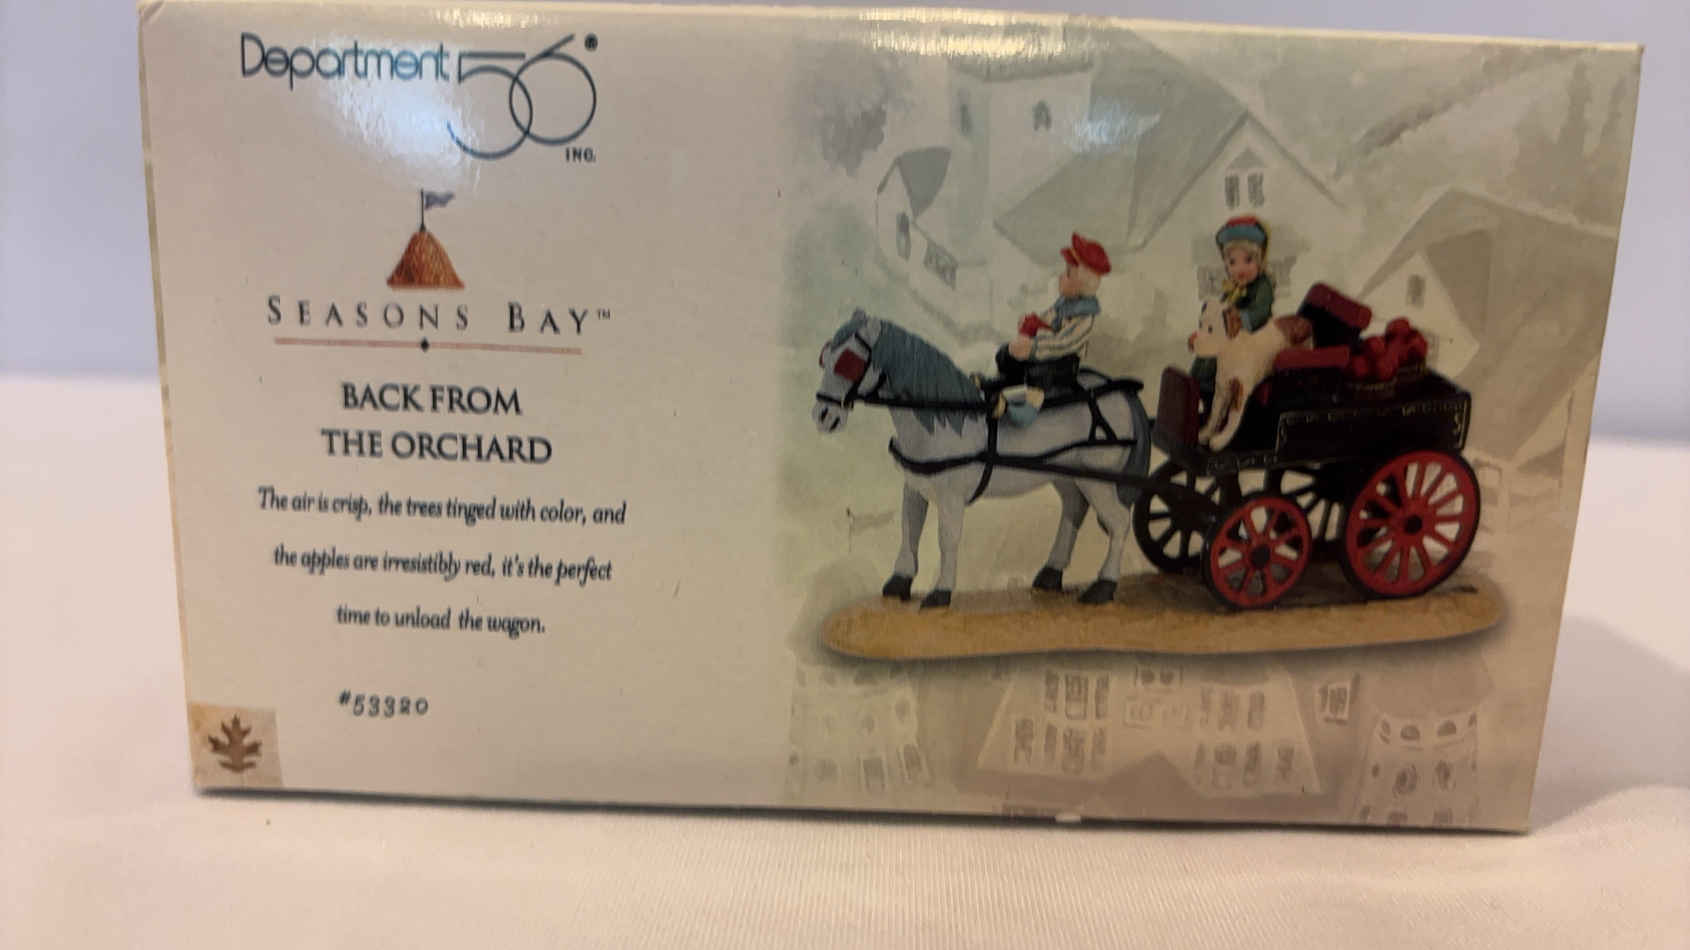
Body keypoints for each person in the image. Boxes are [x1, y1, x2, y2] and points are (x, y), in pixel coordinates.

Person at [987, 233, 1111, 422]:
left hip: (1064, 360)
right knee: (1005, 354)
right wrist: (1031, 322)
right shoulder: (1064, 303)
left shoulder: (1084, 315)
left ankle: (1030, 405)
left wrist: (1034, 347)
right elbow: (1047, 318)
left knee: (1038, 373)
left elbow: (1064, 343)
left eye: (1068, 274)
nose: (1061, 277)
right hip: (1045, 350)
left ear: (1082, 284)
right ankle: (1002, 384)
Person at [1192, 215, 1275, 400]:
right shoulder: (1233, 289)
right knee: (1206, 348)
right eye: (1232, 262)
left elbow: (1260, 312)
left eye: (1248, 260)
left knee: (1219, 352)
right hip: (1234, 337)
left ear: (1260, 260)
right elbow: (1220, 310)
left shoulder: (1263, 285)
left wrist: (1237, 319)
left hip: (1255, 338)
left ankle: (1208, 387)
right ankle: (1194, 384)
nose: (1240, 269)